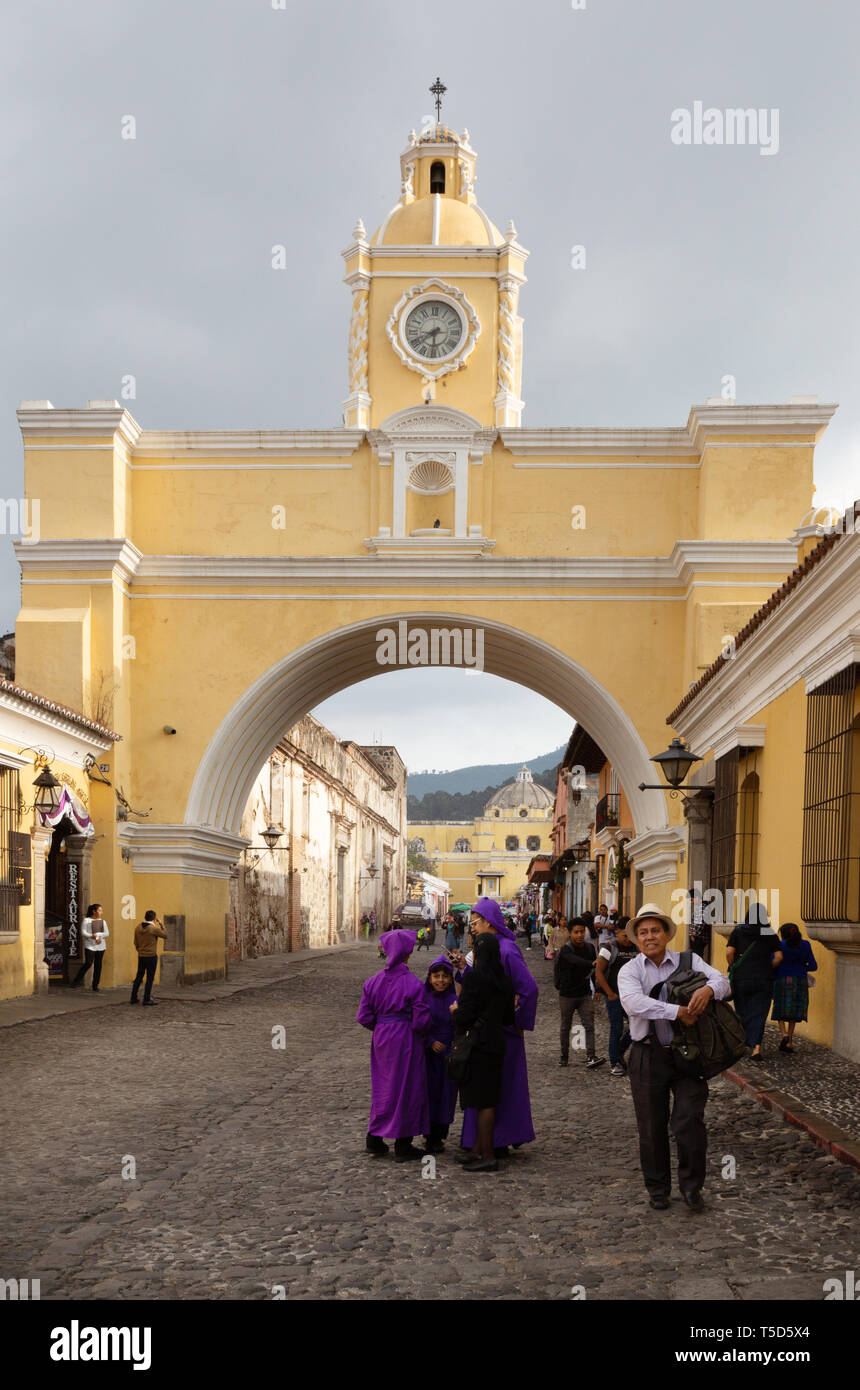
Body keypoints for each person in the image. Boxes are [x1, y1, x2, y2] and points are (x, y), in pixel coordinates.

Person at [618, 902, 731, 1212]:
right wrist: (678, 1011)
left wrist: (708, 990)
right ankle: (657, 1189)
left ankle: (692, 1188)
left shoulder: (689, 959)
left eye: (655, 930)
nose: (649, 936)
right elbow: (633, 1004)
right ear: (637, 938)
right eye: (643, 932)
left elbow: (723, 980)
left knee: (689, 1121)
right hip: (646, 1055)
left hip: (688, 1055)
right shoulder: (630, 970)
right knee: (651, 1127)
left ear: (666, 934)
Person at [449, 896, 538, 1155]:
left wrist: (518, 1022)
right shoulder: (487, 946)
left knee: (499, 1088)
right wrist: (464, 969)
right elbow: (484, 984)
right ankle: (485, 1143)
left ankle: (496, 1141)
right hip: (489, 1032)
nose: (472, 927)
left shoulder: (506, 949)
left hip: (502, 1034)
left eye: (475, 921)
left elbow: (529, 988)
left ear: (488, 922)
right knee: (487, 1088)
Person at [356, 928, 431, 1160]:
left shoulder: (372, 982)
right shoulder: (414, 984)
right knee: (406, 1087)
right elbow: (421, 1020)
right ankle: (402, 1143)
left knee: (383, 1085)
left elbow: (364, 1016)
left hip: (381, 1037)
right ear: (408, 953)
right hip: (405, 1037)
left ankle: (374, 1138)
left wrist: (381, 1027)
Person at [450, 933, 515, 1172]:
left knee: (483, 1102)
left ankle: (488, 1155)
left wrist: (454, 1010)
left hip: (477, 1046)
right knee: (486, 1098)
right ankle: (478, 1149)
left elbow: (464, 1016)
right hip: (496, 1044)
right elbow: (509, 1017)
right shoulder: (504, 980)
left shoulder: (475, 979)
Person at [726, 905, 783, 1061]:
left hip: (742, 977)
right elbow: (779, 957)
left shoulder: (738, 931)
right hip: (764, 978)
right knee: (759, 1013)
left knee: (743, 1011)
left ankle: (743, 1042)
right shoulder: (770, 932)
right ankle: (756, 1048)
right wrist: (767, 967)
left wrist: (733, 966)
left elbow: (729, 952)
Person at [553, 917, 603, 1068]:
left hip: (584, 994)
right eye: (577, 932)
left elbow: (594, 971)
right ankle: (564, 1056)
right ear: (570, 933)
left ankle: (591, 1056)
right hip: (567, 995)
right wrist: (558, 985)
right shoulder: (566, 950)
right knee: (565, 1026)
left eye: (582, 931)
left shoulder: (589, 948)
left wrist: (597, 988)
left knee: (589, 1025)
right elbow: (575, 961)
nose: (580, 935)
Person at [422, 955, 459, 1153]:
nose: (441, 980)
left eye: (445, 976)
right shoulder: (423, 998)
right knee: (429, 1094)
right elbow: (417, 1023)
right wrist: (429, 1041)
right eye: (436, 976)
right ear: (429, 978)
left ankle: (439, 1134)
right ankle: (428, 1134)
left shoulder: (454, 1000)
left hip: (447, 1057)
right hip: (428, 1057)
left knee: (446, 1095)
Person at [595, 915, 637, 1075]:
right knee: (617, 1028)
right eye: (625, 935)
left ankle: (618, 1053)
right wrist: (610, 994)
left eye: (630, 935)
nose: (628, 939)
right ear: (617, 933)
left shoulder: (636, 948)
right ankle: (615, 1063)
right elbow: (599, 972)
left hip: (632, 996)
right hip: (614, 995)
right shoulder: (609, 947)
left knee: (636, 1027)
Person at [772, 923, 817, 1053]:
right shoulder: (806, 945)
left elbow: (773, 963)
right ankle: (790, 1043)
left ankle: (784, 1034)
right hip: (799, 981)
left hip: (782, 979)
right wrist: (802, 967)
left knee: (779, 1007)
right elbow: (813, 966)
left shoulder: (779, 946)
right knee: (794, 1010)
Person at [129, 910, 167, 1006]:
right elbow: (165, 935)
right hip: (151, 956)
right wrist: (161, 924)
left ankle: (133, 997)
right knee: (150, 978)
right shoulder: (153, 928)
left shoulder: (138, 927)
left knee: (139, 977)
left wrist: (140, 951)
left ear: (145, 917)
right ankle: (146, 998)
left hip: (141, 956)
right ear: (154, 918)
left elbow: (135, 943)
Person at [71, 903, 110, 991]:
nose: (101, 912)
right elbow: (83, 932)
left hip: (101, 946)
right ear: (94, 911)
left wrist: (98, 936)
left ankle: (95, 985)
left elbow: (107, 933)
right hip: (90, 946)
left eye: (101, 911)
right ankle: (76, 981)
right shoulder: (86, 920)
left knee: (98, 965)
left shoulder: (103, 922)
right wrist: (91, 936)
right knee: (88, 963)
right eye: (99, 910)